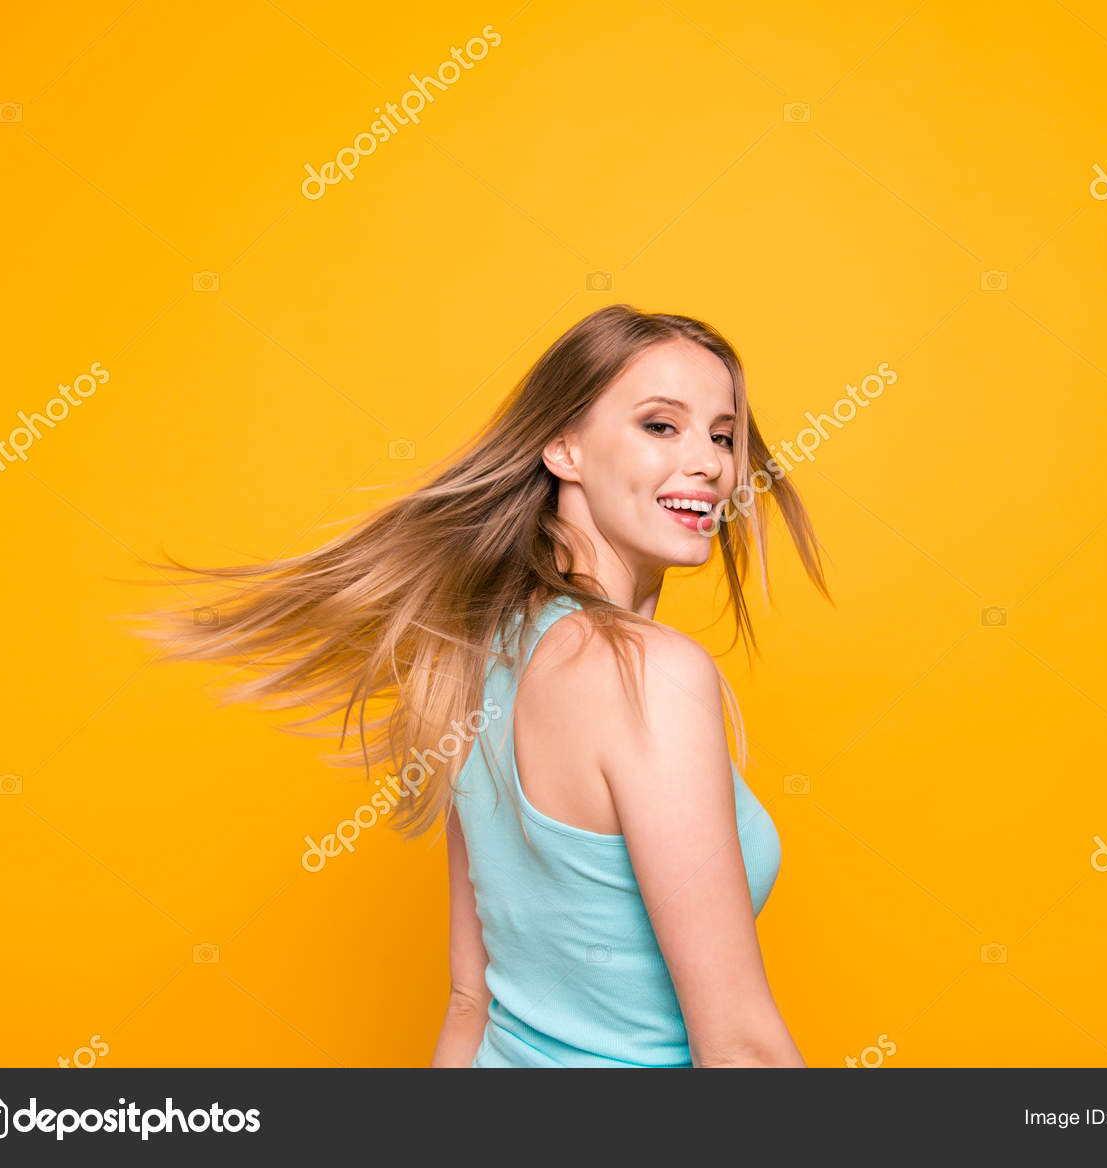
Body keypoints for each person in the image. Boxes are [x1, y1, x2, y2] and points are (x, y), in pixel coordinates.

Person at [135, 304, 829, 1066]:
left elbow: (470, 1000)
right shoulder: (652, 675)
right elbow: (740, 1047)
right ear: (562, 447)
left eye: (723, 436)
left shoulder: (475, 655)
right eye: (660, 425)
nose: (710, 464)